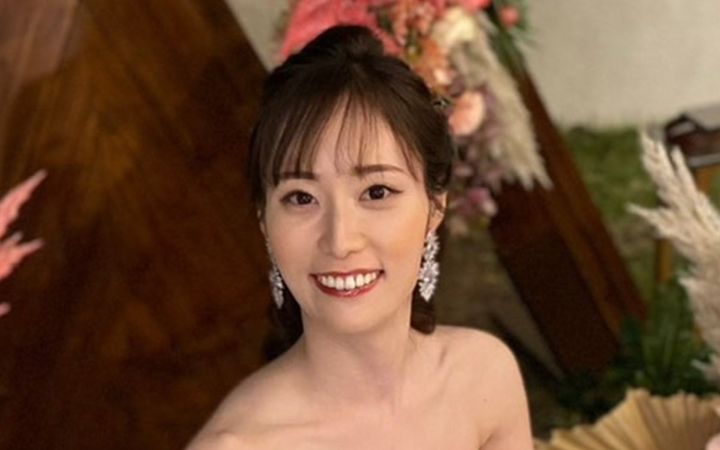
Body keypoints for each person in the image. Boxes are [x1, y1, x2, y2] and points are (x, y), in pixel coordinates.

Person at [187, 25, 532, 449]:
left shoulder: (483, 377)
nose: (340, 240)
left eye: (377, 192)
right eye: (301, 198)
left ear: (435, 206)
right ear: (264, 221)